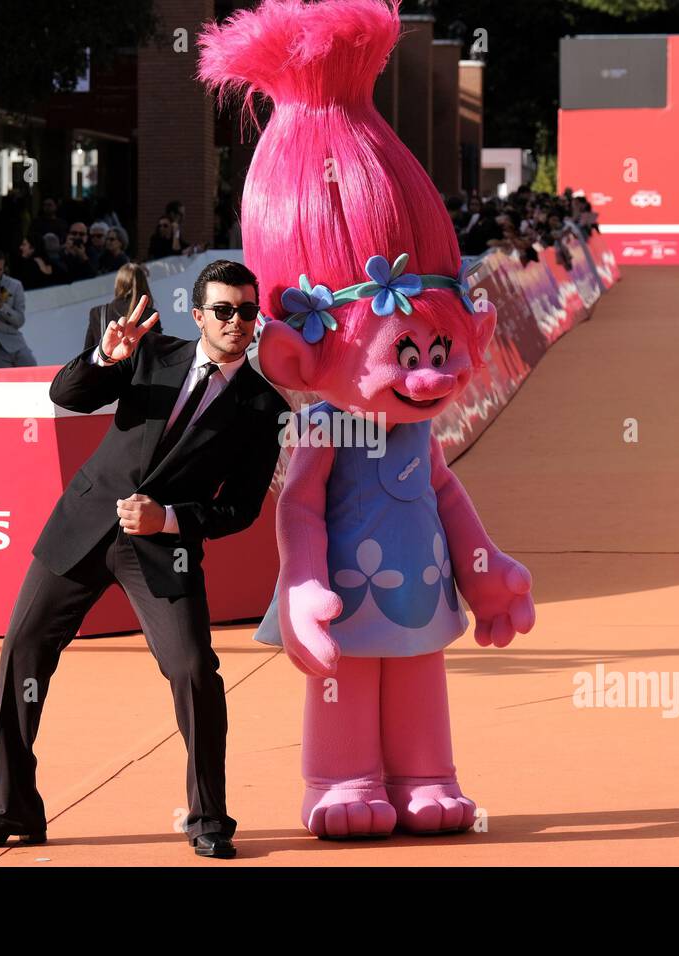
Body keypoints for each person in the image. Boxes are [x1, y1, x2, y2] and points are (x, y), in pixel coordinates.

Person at [201, 0, 533, 842]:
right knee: (346, 684)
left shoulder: (419, 435)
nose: (434, 374)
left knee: (420, 675)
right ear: (300, 356)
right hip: (346, 600)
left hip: (419, 595)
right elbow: (300, 506)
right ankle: (340, 776)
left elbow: (446, 494)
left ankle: (427, 774)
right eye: (407, 351)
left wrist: (487, 568)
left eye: (441, 347)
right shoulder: (325, 428)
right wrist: (304, 581)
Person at [0, 259, 288, 859]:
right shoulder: (151, 353)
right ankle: (9, 808)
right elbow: (67, 396)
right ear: (199, 315)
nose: (237, 322)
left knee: (193, 671)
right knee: (23, 653)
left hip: (163, 550)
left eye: (247, 311)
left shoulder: (264, 407)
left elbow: (240, 509)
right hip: (82, 526)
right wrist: (105, 357)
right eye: (224, 310)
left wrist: (172, 519)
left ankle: (208, 816)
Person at [83, 262, 152, 353]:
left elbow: (86, 354)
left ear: (118, 284)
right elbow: (157, 356)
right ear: (144, 284)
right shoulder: (149, 315)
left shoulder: (98, 313)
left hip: (106, 366)